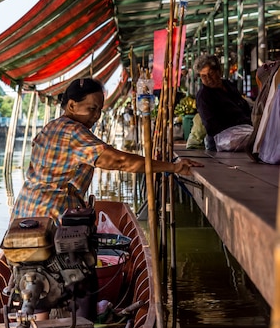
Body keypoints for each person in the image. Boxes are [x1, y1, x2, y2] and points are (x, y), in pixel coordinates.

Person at [11, 78, 203, 222]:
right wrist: (173, 167)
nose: (96, 116)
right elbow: (120, 161)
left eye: (99, 110)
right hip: (53, 216)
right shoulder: (73, 131)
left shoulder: (52, 126)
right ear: (71, 105)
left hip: (24, 212)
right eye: (92, 109)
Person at [194, 54, 253, 151]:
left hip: (243, 129)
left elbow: (243, 107)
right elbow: (211, 126)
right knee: (254, 140)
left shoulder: (228, 85)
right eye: (203, 76)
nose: (208, 78)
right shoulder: (203, 95)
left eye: (211, 73)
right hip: (221, 138)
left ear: (219, 71)